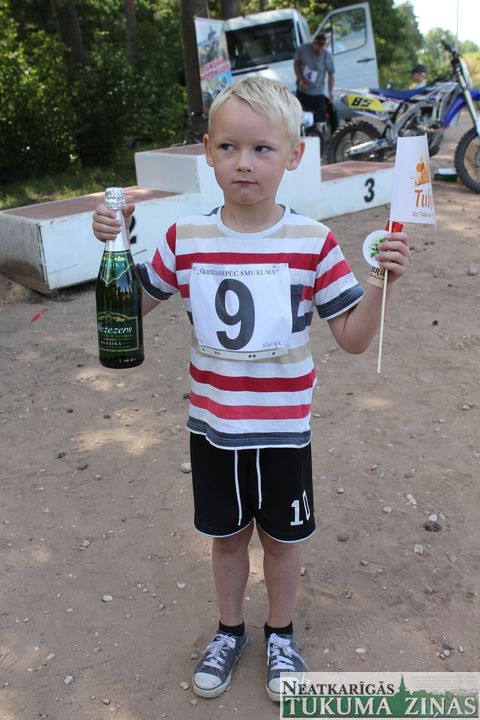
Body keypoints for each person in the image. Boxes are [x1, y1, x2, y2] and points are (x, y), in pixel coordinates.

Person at [92, 77, 410, 702]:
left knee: (283, 543)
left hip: (285, 430)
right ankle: (229, 629)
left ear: (294, 155)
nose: (244, 162)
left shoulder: (314, 242)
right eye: (229, 147)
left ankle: (281, 633)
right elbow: (129, 309)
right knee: (227, 538)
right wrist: (115, 241)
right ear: (207, 152)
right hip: (215, 429)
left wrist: (381, 282)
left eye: (262, 148)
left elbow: (351, 338)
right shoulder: (185, 239)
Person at [294, 32, 337, 134]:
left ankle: (319, 140)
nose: (320, 51)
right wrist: (300, 79)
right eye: (318, 48)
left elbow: (331, 75)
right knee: (299, 120)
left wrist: (331, 92)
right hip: (303, 91)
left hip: (318, 93)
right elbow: (296, 64)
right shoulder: (302, 50)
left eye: (323, 49)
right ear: (314, 44)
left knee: (318, 121)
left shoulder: (327, 56)